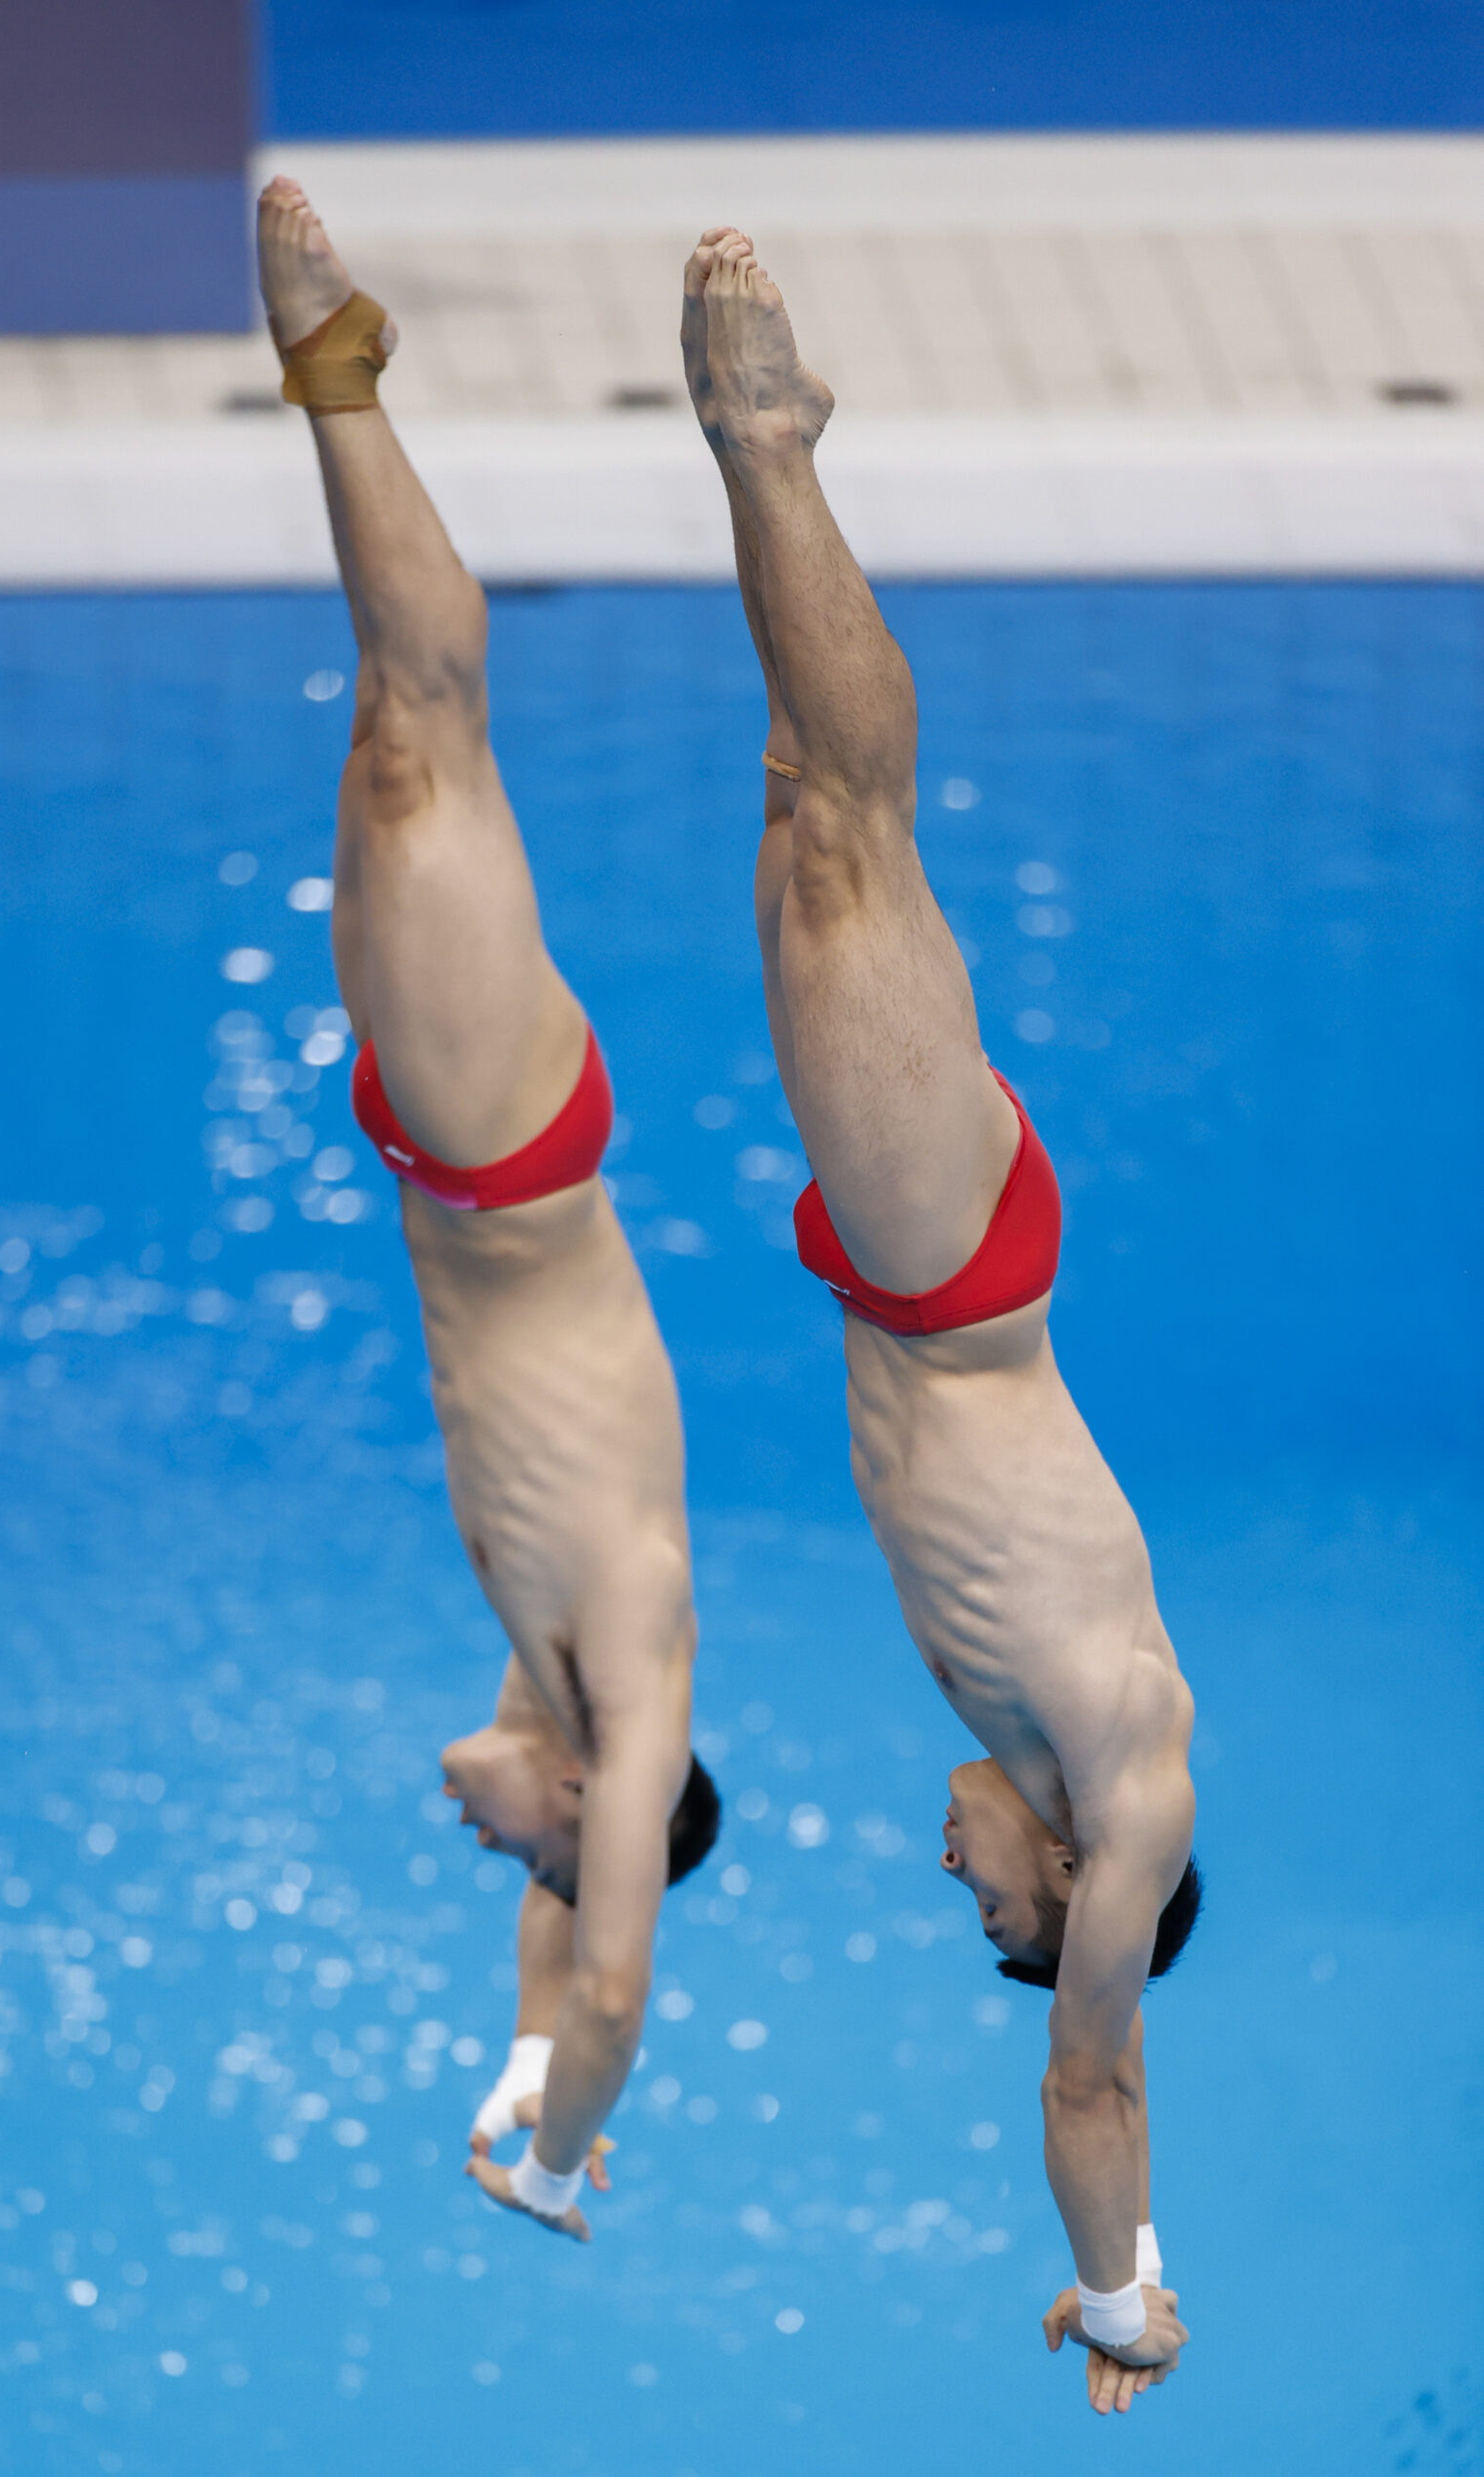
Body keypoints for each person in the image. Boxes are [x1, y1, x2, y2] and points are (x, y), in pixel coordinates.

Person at [682, 229, 1200, 2415]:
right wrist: (1120, 2295)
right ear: (1075, 1885)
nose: (952, 1867)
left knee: (806, 816)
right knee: (845, 840)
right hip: (951, 1274)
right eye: (995, 1907)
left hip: (901, 1273)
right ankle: (773, 443)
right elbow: (1093, 2083)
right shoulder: (1128, 1779)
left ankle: (756, 467)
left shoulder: (1032, 1728)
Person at [254, 176, 720, 2243]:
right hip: (501, 1144)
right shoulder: (622, 1662)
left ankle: (339, 392)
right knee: (416, 728)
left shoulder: (547, 1666)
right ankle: (335, 376)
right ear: (580, 1820)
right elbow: (606, 1956)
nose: (487, 1841)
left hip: (445, 1142)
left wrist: (524, 2062)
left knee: (390, 747)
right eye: (524, 1850)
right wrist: (549, 2149)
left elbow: (553, 1973)